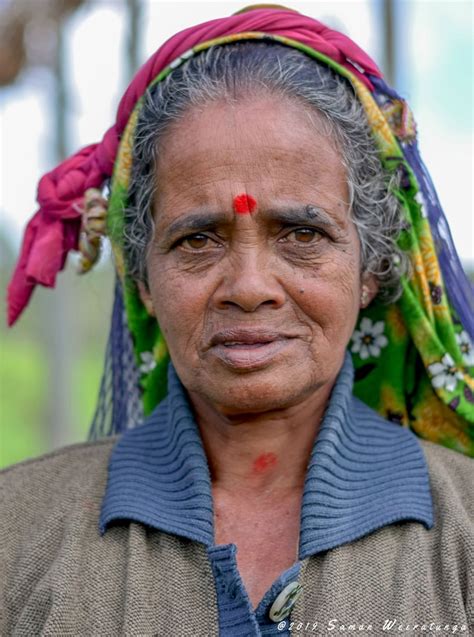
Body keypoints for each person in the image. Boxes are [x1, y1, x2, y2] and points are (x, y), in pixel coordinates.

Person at [2, 6, 473, 636]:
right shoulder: (18, 531)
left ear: (371, 266)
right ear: (142, 277)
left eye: (302, 232)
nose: (249, 288)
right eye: (198, 240)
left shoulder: (463, 533)